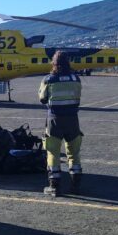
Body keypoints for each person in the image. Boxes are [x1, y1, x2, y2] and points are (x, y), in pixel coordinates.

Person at [38, 51, 83, 196]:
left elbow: (42, 99)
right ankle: (76, 184)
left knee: (53, 152)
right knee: (74, 152)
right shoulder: (75, 78)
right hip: (72, 119)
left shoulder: (49, 79)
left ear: (54, 63)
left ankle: (54, 186)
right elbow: (77, 98)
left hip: (55, 120)